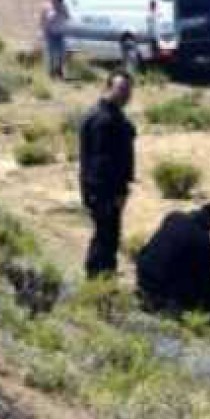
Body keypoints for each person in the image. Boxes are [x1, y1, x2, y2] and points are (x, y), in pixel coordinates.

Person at [78, 70, 137, 280]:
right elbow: (101, 164)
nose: (126, 94)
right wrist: (117, 192)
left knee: (107, 234)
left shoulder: (111, 115)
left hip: (102, 189)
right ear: (108, 88)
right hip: (103, 190)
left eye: (129, 90)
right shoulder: (102, 119)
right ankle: (98, 278)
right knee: (106, 236)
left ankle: (103, 276)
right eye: (121, 89)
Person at [136, 203, 210, 319]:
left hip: (143, 276)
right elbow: (206, 279)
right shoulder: (203, 241)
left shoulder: (173, 217)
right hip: (163, 291)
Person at [41, 0, 70, 81]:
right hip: (50, 33)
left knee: (61, 54)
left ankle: (59, 71)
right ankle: (51, 74)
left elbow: (67, 16)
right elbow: (43, 19)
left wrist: (60, 10)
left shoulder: (62, 5)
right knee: (51, 55)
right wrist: (43, 31)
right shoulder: (46, 6)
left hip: (60, 32)